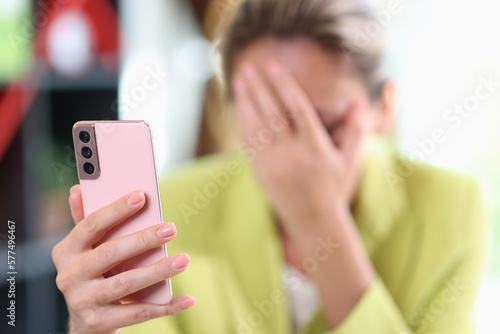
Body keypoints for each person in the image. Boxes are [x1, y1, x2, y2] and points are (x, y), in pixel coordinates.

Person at [52, 0, 485, 333]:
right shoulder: (171, 208)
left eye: (326, 126)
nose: (297, 158)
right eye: (269, 129)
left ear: (384, 107)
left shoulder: (452, 210)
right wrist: (89, 324)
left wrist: (319, 221)